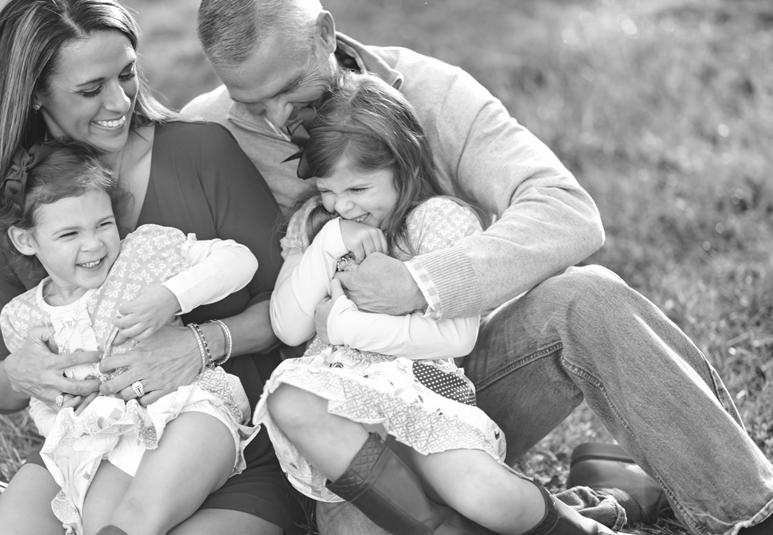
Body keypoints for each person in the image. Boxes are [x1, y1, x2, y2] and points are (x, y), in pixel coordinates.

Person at [184, 1, 773, 534]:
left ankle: (753, 518)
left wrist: (420, 282)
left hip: (457, 380)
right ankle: (593, 503)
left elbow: (565, 212)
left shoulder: (432, 91)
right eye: (251, 101)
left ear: (324, 34)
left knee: (587, 296)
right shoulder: (210, 131)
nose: (277, 118)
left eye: (291, 88)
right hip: (335, 423)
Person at [255, 72, 617, 535]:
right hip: (344, 430)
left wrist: (341, 327)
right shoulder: (316, 224)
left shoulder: (437, 222)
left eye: (358, 190)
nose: (343, 206)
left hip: (422, 402)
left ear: (402, 168)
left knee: (483, 494)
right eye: (329, 191)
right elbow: (287, 327)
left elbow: (457, 337)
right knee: (290, 399)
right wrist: (327, 241)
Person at [0, 2, 297, 534]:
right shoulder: (20, 205)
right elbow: (6, 384)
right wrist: (17, 373)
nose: (119, 101)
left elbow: (290, 308)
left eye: (127, 74)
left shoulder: (200, 153)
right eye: (91, 90)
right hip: (93, 447)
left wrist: (199, 344)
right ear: (36, 93)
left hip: (220, 436)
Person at [0, 141, 261, 535]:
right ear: (25, 240)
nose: (94, 244)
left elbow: (239, 259)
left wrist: (173, 294)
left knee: (140, 513)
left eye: (103, 224)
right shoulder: (23, 317)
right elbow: (41, 398)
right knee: (101, 522)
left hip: (185, 410)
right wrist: (61, 418)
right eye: (69, 233)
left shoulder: (142, 253)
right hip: (105, 442)